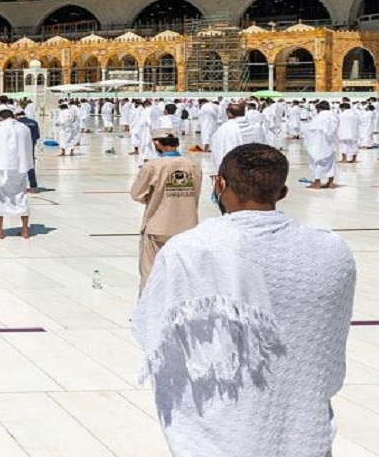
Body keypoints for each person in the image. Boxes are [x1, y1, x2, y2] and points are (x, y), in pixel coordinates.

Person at [133, 144, 355, 457]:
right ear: (282, 192)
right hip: (304, 431)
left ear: (219, 184)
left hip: (225, 435)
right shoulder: (332, 248)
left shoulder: (191, 248)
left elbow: (150, 331)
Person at [130, 128, 202, 291]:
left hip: (158, 226)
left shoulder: (153, 166)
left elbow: (137, 194)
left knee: (151, 273)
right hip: (187, 226)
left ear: (157, 143)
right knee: (183, 274)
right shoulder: (193, 165)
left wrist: (155, 197)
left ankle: (148, 312)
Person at [0, 108, 34, 239]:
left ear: (0, 118)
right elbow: (28, 147)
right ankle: (25, 230)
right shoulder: (24, 128)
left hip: (0, 168)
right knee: (21, 197)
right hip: (20, 168)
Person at [209, 102, 263, 175]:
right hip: (253, 166)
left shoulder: (226, 128)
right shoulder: (256, 126)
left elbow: (219, 148)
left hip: (233, 167)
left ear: (229, 113)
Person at [305, 100, 339, 189]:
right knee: (331, 162)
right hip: (330, 143)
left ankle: (317, 183)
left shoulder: (319, 117)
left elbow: (311, 130)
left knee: (317, 161)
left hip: (318, 143)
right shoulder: (334, 116)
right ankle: (330, 183)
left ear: (319, 109)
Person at [14, 109, 41, 192]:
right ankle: (33, 186)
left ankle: (19, 186)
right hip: (30, 147)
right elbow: (37, 135)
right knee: (30, 166)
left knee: (18, 166)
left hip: (18, 148)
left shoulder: (16, 124)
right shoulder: (34, 122)